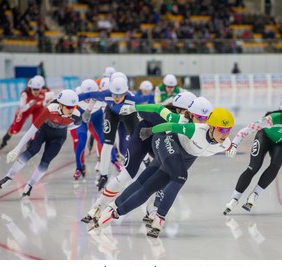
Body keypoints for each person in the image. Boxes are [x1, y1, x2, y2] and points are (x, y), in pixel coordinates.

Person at [92, 108, 234, 238]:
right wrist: (150, 131)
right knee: (180, 175)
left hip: (179, 156)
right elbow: (169, 126)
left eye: (228, 130)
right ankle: (160, 217)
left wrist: (232, 147)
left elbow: (231, 144)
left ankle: (114, 213)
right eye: (222, 130)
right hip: (168, 141)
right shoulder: (195, 129)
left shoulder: (226, 143)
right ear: (211, 127)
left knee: (149, 187)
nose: (225, 134)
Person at [81, 92, 199, 223]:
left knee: (166, 174)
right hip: (143, 136)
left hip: (161, 142)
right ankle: (98, 205)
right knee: (127, 174)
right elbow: (148, 110)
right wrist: (134, 109)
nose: (193, 117)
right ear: (179, 109)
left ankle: (152, 208)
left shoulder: (190, 121)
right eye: (190, 113)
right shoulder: (167, 114)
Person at [223, 96, 282, 215]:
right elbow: (245, 130)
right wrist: (233, 145)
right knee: (254, 167)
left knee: (275, 166)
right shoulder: (270, 120)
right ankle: (234, 198)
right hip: (264, 138)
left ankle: (255, 194)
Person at [0, 89, 82, 197]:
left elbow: (77, 124)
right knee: (31, 150)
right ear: (60, 105)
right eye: (69, 107)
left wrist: (66, 128)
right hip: (43, 130)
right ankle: (9, 176)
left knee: (46, 161)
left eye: (74, 107)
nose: (71, 110)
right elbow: (31, 130)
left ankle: (30, 185)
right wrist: (17, 148)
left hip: (58, 137)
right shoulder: (50, 109)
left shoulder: (77, 115)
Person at [78, 75, 151, 191]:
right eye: (114, 94)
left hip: (128, 116)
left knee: (137, 141)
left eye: (119, 95)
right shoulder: (105, 94)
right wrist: (68, 100)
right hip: (112, 114)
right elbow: (89, 95)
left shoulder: (133, 98)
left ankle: (147, 160)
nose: (116, 98)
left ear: (126, 92)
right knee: (107, 144)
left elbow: (150, 100)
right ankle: (103, 175)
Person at [0, 76, 46, 151]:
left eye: (38, 89)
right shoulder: (25, 94)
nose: (36, 91)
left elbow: (52, 96)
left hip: (36, 108)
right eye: (34, 89)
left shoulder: (43, 93)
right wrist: (29, 104)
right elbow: (21, 108)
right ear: (30, 88)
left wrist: (46, 103)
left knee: (36, 125)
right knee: (15, 130)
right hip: (24, 111)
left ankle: (30, 142)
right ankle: (5, 139)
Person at [71, 79, 105, 180]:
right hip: (80, 118)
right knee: (79, 141)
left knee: (101, 140)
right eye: (86, 95)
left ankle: (100, 162)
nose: (87, 98)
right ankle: (80, 166)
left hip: (94, 118)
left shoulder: (100, 97)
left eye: (91, 96)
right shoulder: (77, 96)